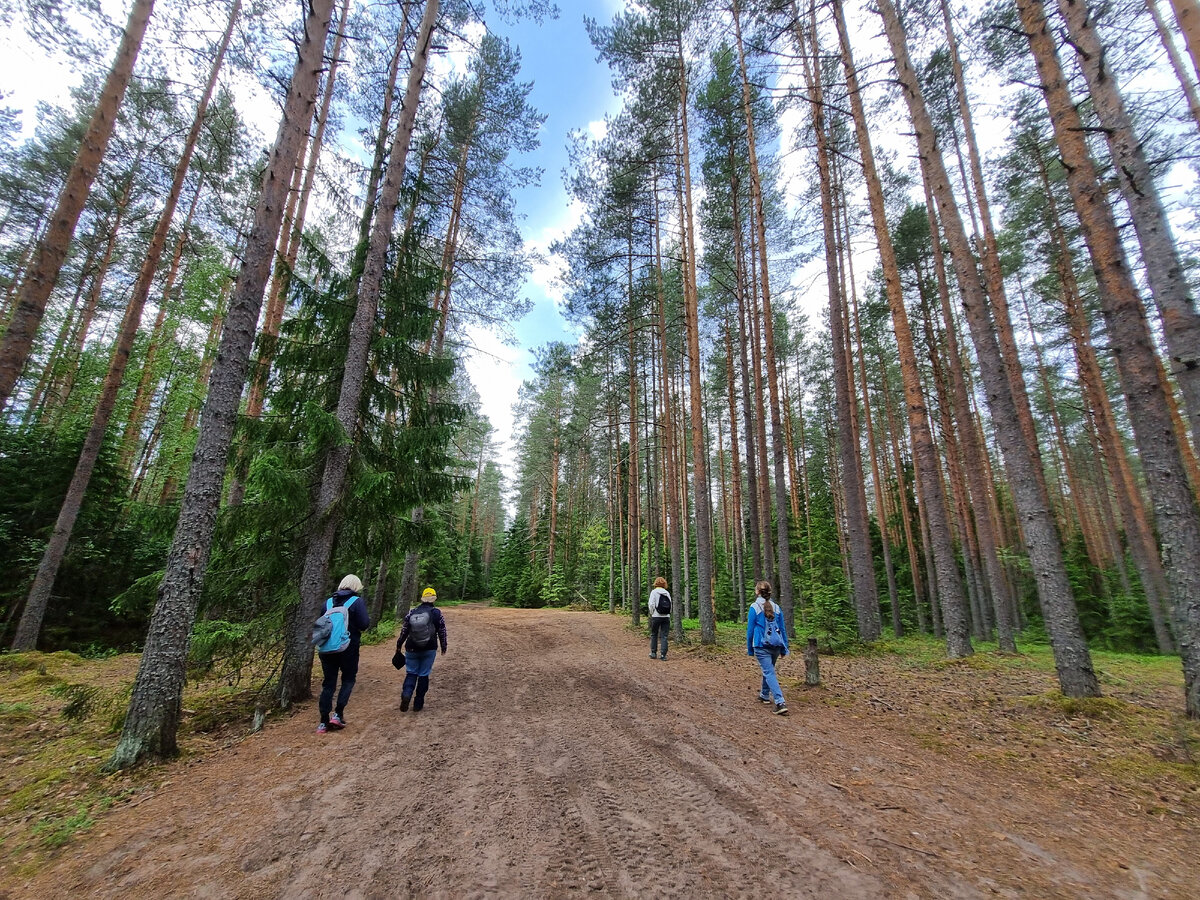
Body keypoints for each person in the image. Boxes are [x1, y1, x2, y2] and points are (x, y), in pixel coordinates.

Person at [317, 574, 370, 734]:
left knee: (328, 683)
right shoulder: (356, 602)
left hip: (327, 649)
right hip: (348, 648)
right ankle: (338, 714)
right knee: (348, 679)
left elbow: (321, 624)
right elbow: (364, 624)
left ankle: (323, 722)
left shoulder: (327, 602)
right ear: (356, 587)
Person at [396, 587, 448, 712]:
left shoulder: (412, 612)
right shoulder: (437, 613)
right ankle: (418, 703)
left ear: (422, 598)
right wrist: (443, 645)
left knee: (411, 673)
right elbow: (442, 631)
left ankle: (407, 693)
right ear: (434, 598)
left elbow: (405, 630)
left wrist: (399, 644)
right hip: (429, 648)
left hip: (411, 647)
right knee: (424, 674)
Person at [746, 581, 789, 715]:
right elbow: (782, 629)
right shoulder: (776, 607)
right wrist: (784, 647)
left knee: (769, 672)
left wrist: (750, 648)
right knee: (768, 669)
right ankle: (764, 695)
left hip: (761, 645)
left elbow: (750, 630)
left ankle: (780, 702)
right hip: (776, 645)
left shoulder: (754, 607)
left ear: (758, 592)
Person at [647, 576, 671, 660]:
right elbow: (670, 604)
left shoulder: (654, 592)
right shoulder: (667, 593)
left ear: (656, 583)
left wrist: (652, 613)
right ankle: (663, 655)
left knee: (654, 634)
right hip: (666, 617)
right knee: (664, 636)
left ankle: (653, 653)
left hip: (656, 616)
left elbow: (651, 604)